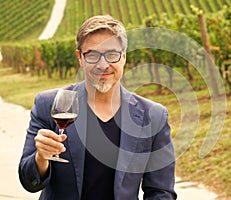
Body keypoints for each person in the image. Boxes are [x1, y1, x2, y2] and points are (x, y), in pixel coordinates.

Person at [18, 15, 177, 200]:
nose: (103, 65)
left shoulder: (154, 116)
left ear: (124, 57)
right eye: (93, 55)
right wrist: (41, 158)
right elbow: (28, 181)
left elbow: (161, 191)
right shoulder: (49, 105)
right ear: (80, 58)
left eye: (112, 54)